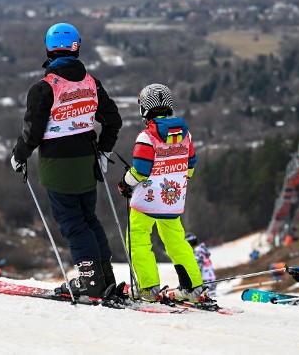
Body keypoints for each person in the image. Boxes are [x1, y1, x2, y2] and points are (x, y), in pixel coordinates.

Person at [11, 22, 123, 300]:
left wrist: (19, 155)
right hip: (87, 162)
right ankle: (105, 276)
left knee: (72, 222)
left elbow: (32, 133)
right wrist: (105, 151)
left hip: (58, 166)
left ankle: (90, 281)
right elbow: (113, 120)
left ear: (49, 48)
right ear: (77, 47)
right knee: (88, 219)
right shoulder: (91, 83)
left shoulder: (44, 88)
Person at [117, 83, 205, 303]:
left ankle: (148, 288)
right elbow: (190, 166)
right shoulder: (186, 135)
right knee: (176, 241)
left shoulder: (147, 137)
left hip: (146, 201)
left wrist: (125, 183)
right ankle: (193, 288)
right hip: (172, 199)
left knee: (138, 240)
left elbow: (140, 171)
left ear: (144, 108)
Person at [186, 233, 217, 297]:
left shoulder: (197, 253)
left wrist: (189, 282)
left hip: (204, 281)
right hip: (212, 279)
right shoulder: (202, 250)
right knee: (211, 295)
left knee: (205, 297)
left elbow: (197, 269)